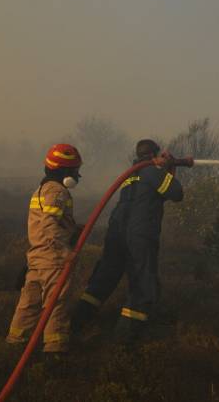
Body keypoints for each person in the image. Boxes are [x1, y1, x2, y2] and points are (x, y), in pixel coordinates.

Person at [71, 139, 183, 343]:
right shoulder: (152, 172)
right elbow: (176, 193)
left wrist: (166, 168)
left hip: (116, 233)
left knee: (104, 278)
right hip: (140, 235)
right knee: (142, 283)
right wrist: (166, 168)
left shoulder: (131, 174)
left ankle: (75, 323)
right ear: (154, 154)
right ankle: (124, 342)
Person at [6, 143, 83, 354]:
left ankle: (13, 348)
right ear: (65, 171)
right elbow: (50, 225)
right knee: (56, 306)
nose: (78, 174)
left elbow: (46, 224)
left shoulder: (41, 190)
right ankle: (54, 353)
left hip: (37, 258)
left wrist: (74, 229)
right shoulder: (58, 191)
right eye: (75, 170)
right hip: (53, 259)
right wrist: (67, 253)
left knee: (28, 307)